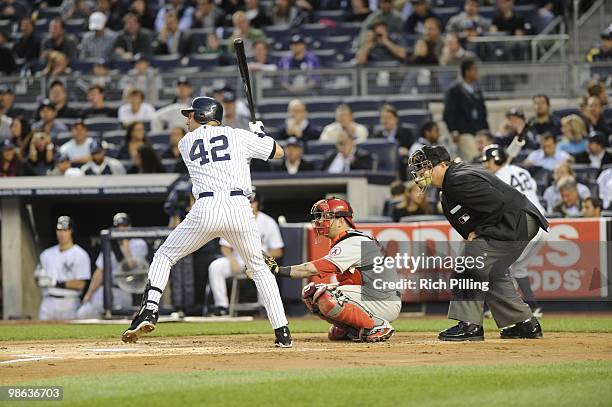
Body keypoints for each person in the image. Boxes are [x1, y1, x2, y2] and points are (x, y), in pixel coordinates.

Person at [121, 96, 292, 348]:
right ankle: (282, 331)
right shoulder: (238, 135)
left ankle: (149, 309)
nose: (187, 120)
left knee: (164, 256)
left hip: (206, 208)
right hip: (239, 209)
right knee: (259, 268)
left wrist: (254, 137)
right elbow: (278, 152)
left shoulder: (185, 142)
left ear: (202, 115)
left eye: (190, 115)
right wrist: (260, 135)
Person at [409, 145, 546, 341]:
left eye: (425, 167)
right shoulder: (447, 189)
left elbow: (497, 203)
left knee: (470, 262)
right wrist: (476, 233)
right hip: (516, 220)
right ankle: (524, 324)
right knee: (490, 271)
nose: (421, 172)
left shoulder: (458, 178)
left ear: (441, 165)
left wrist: (481, 232)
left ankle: (469, 325)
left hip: (517, 219)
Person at [263, 197, 398, 342]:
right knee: (311, 294)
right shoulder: (347, 239)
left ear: (341, 221)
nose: (320, 221)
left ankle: (376, 325)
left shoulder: (353, 241)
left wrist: (278, 270)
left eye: (326, 216)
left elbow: (312, 269)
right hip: (373, 296)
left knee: (325, 295)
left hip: (382, 300)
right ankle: (352, 328)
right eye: (320, 217)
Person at [481, 144, 546, 317]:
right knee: (519, 268)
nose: (486, 165)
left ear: (496, 160)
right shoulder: (520, 170)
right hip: (542, 223)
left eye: (488, 161)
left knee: (499, 265)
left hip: (526, 225)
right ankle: (533, 306)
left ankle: (503, 306)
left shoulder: (499, 177)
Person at [208, 191, 283, 315]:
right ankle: (222, 307)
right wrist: (232, 260)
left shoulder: (268, 221)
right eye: (247, 202)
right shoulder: (234, 219)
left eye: (252, 202)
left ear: (258, 204)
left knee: (266, 268)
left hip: (258, 259)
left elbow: (278, 250)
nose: (249, 205)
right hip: (238, 259)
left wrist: (265, 259)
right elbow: (224, 246)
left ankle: (265, 307)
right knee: (215, 267)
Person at [77, 213, 148, 319]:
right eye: (118, 227)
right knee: (83, 313)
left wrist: (126, 247)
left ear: (130, 227)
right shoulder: (110, 243)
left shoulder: (139, 243)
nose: (121, 229)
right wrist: (89, 294)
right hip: (107, 290)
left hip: (126, 291)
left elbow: (132, 269)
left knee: (119, 318)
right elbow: (100, 271)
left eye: (124, 226)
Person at [34, 216, 91, 320]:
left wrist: (55, 283)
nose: (61, 233)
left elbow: (81, 284)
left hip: (69, 302)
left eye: (65, 230)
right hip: (48, 302)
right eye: (59, 230)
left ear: (71, 231)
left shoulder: (80, 254)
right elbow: (37, 278)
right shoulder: (46, 254)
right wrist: (39, 279)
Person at [443, 59, 488, 162]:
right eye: (474, 70)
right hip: (464, 132)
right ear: (466, 72)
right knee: (476, 158)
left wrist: (486, 130)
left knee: (487, 154)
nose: (477, 72)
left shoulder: (477, 90)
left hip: (479, 131)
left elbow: (483, 112)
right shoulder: (454, 91)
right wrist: (454, 131)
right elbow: (449, 113)